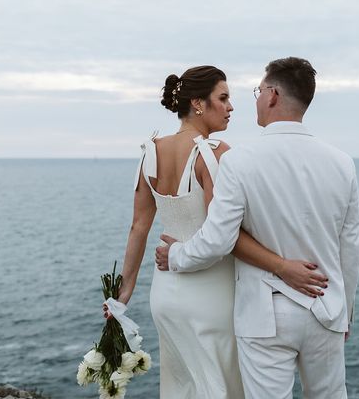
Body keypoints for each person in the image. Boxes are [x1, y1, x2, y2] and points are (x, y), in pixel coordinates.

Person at [107, 65, 328, 399]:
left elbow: (138, 227)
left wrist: (124, 292)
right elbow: (222, 235)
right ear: (198, 103)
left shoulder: (150, 151)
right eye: (223, 98)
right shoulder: (214, 154)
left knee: (183, 386)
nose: (231, 107)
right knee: (223, 385)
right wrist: (283, 265)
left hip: (165, 296)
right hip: (212, 295)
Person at [156, 57, 359, 399]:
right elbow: (350, 248)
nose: (254, 99)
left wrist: (175, 255)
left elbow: (218, 240)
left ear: (272, 95)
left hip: (265, 314)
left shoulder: (240, 161)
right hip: (326, 306)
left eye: (258, 90)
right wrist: (346, 313)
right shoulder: (343, 164)